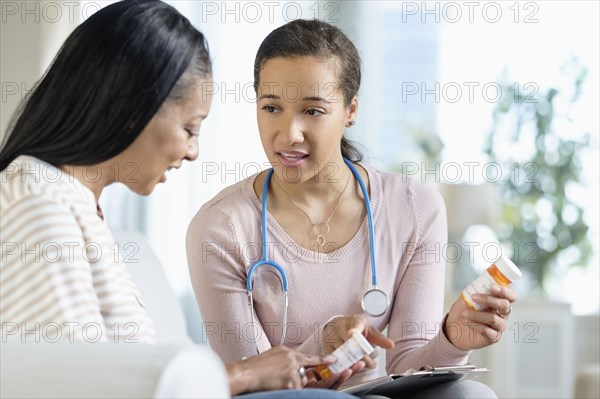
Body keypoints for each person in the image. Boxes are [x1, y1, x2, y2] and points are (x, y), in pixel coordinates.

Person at [0, 3, 356, 398]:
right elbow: (68, 385)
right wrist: (242, 376)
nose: (192, 152)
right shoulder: (36, 199)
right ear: (132, 109)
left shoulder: (77, 207)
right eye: (189, 128)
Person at [187, 19, 516, 398]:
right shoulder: (219, 228)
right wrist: (324, 344)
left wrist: (454, 338)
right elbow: (255, 386)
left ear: (350, 110)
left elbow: (408, 366)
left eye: (312, 111)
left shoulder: (414, 208)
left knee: (472, 395)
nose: (289, 133)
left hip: (375, 395)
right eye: (272, 107)